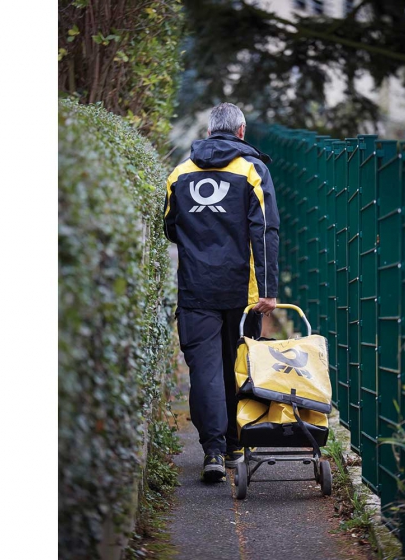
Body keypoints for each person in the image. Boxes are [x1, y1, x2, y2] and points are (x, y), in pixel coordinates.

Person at [164, 102, 280, 483]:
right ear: (242, 131)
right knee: (238, 365)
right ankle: (235, 446)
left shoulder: (179, 174)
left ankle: (212, 450)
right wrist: (268, 291)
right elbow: (264, 231)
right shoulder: (252, 170)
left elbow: (170, 227)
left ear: (210, 131)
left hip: (195, 288)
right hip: (240, 291)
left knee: (206, 370)